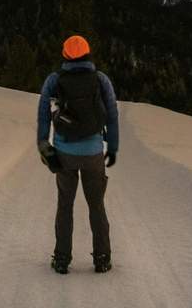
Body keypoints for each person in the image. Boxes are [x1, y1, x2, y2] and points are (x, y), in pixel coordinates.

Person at [37, 35, 119, 275]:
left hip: (64, 154)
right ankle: (102, 259)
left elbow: (43, 113)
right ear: (87, 54)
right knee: (96, 205)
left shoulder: (54, 80)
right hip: (93, 152)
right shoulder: (100, 79)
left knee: (65, 205)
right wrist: (112, 147)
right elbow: (112, 115)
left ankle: (62, 259)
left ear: (64, 55)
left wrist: (44, 146)